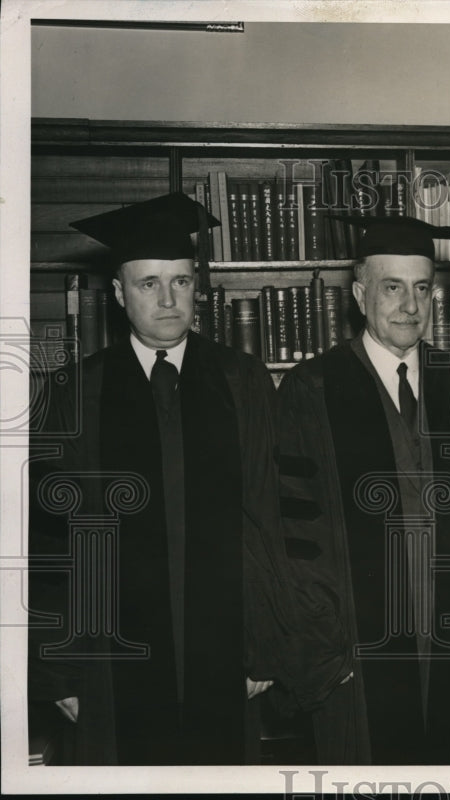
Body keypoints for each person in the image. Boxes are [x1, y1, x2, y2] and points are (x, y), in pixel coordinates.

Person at [28, 193, 299, 765]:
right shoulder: (75, 391)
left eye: (180, 280)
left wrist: (264, 649)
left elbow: (266, 517)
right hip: (108, 657)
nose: (168, 298)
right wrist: (60, 671)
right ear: (119, 292)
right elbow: (51, 542)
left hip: (226, 650)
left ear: (196, 287)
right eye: (149, 283)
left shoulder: (241, 380)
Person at [274, 215, 450, 764]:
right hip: (357, 648)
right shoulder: (313, 390)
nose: (410, 304)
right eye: (393, 287)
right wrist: (325, 647)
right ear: (360, 294)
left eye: (423, 288)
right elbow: (293, 534)